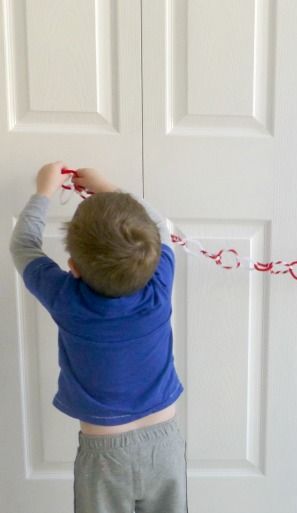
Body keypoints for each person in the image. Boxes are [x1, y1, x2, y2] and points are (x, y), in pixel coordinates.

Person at [9, 162, 187, 513]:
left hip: (105, 452)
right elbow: (159, 227)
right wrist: (108, 187)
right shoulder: (159, 284)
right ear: (150, 260)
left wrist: (43, 192)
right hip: (164, 440)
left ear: (72, 267)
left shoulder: (66, 298)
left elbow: (23, 247)